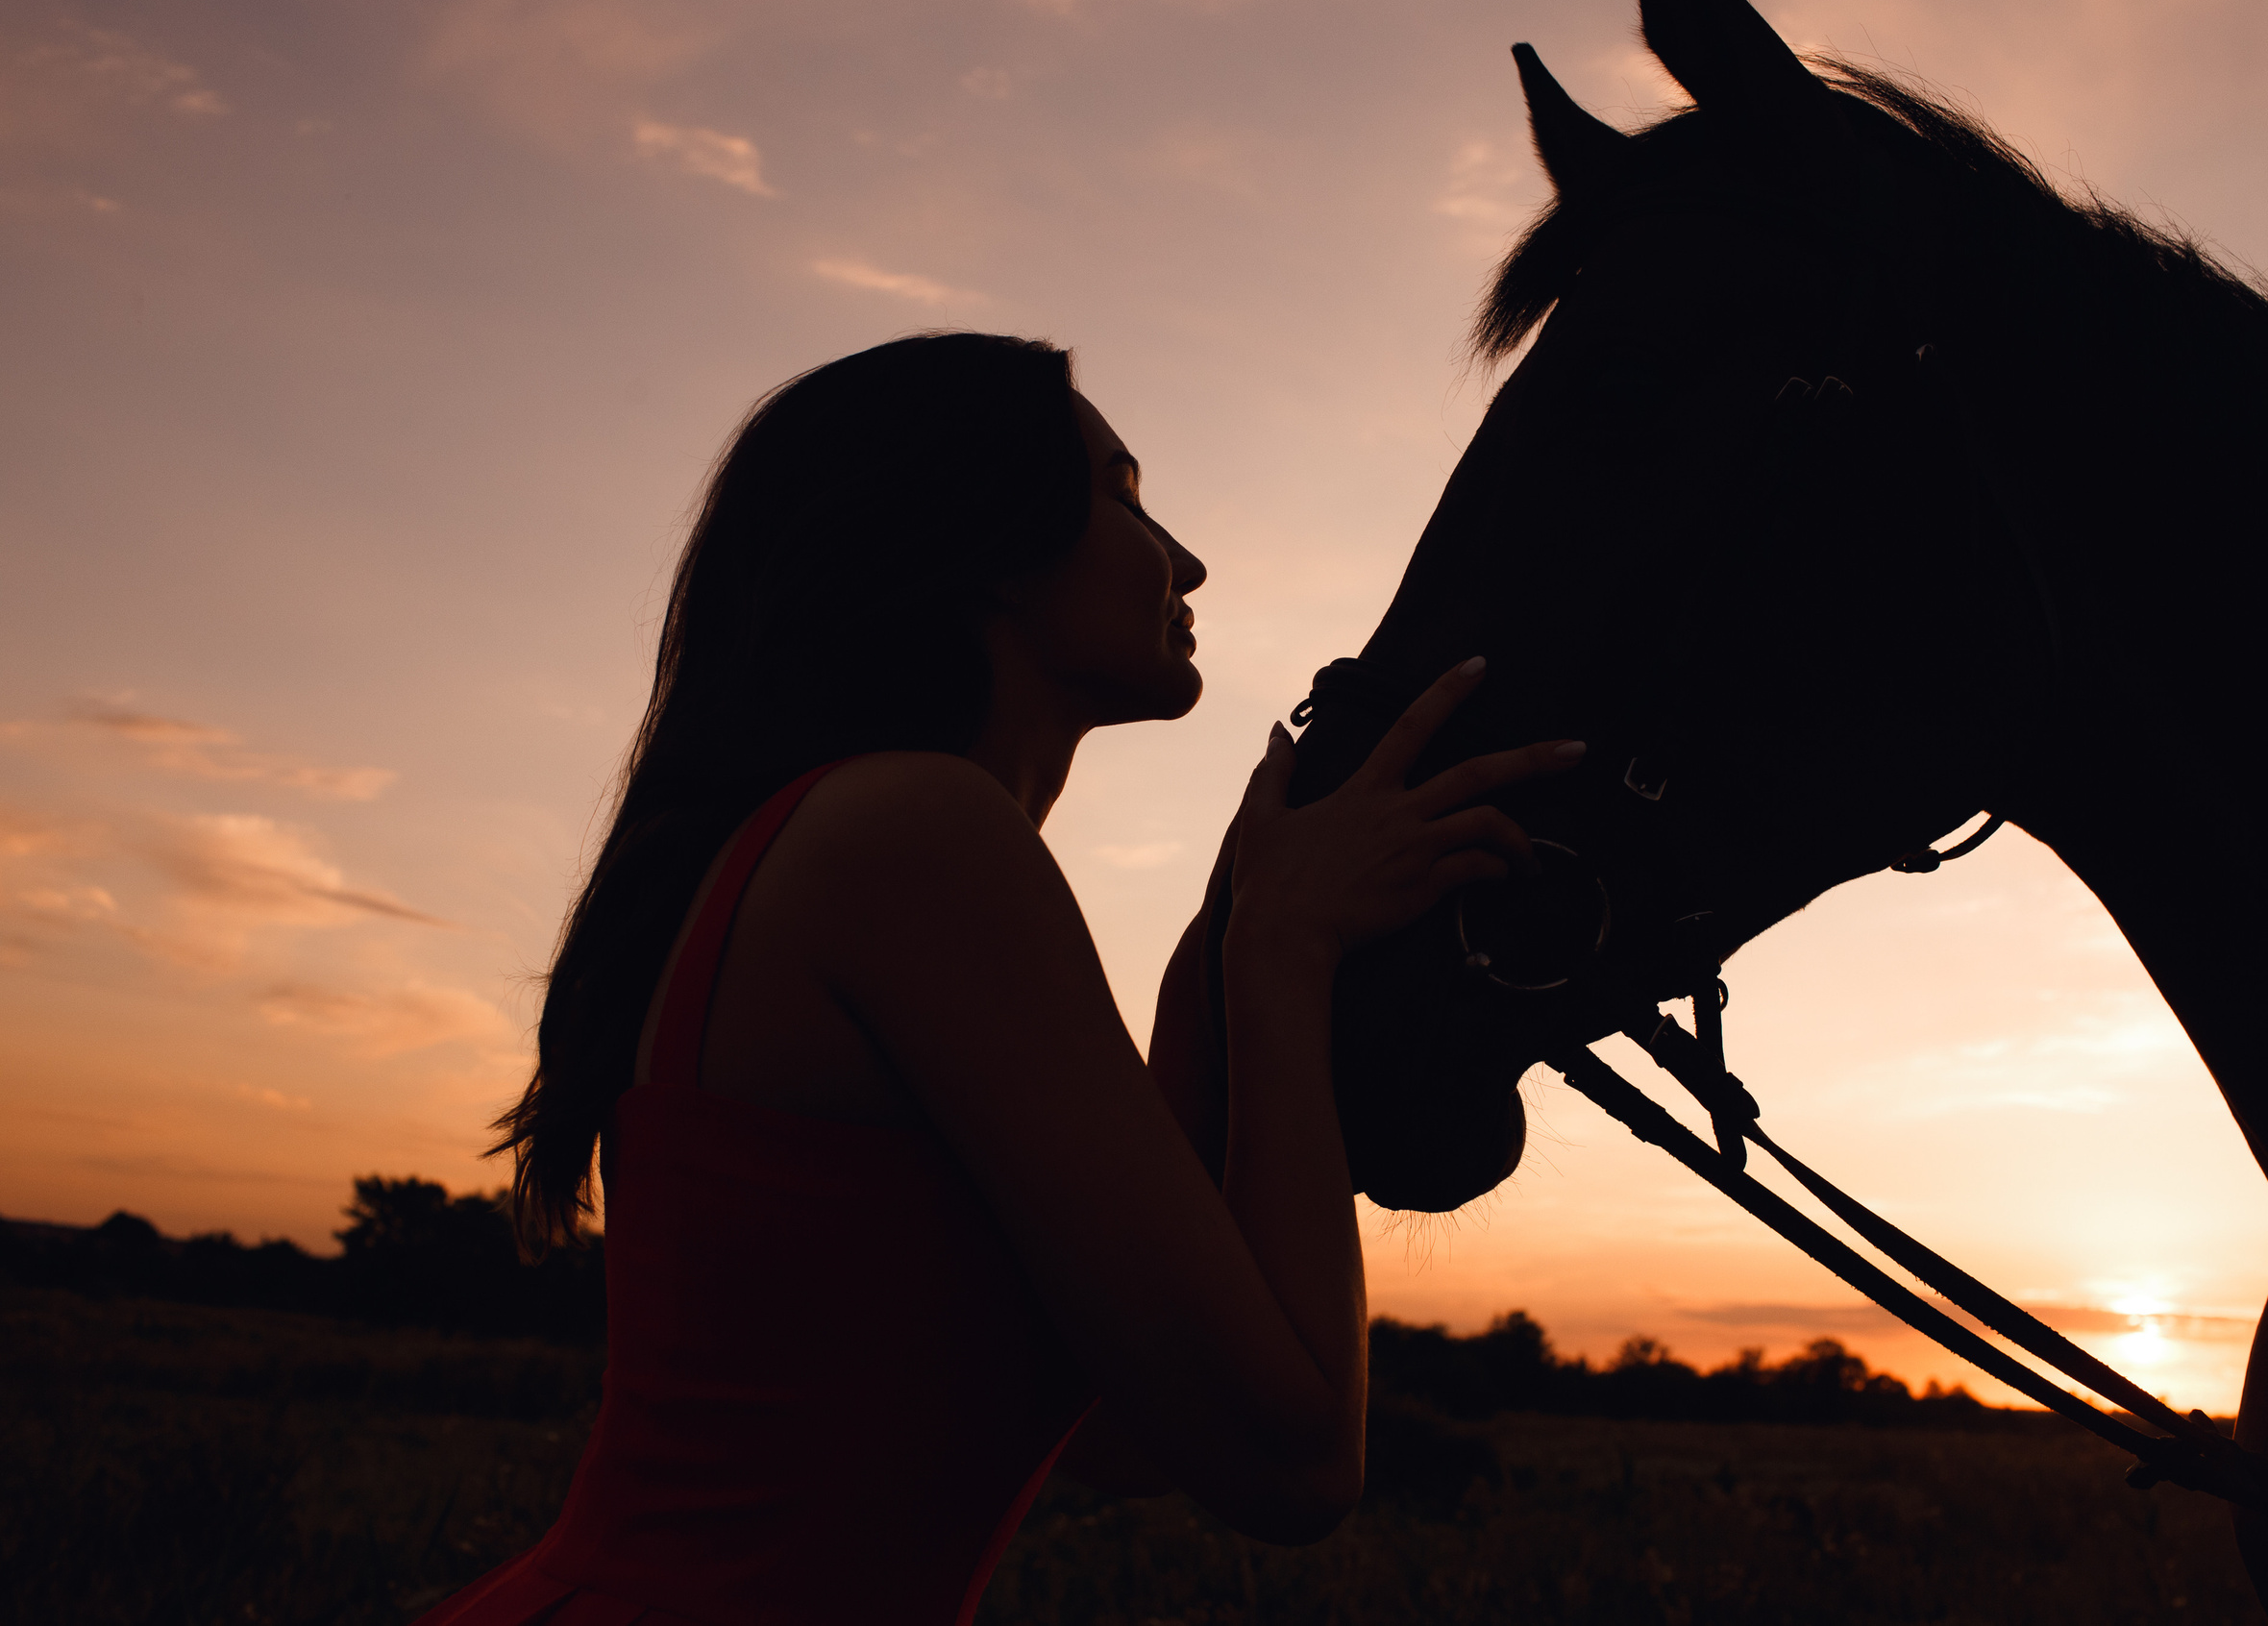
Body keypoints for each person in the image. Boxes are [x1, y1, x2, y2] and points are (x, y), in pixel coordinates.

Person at [417, 332, 1582, 1626]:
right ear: (990, 551)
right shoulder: (912, 834)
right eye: (1126, 495)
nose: (1184, 560)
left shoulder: (866, 850)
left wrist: (1223, 958)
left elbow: (1140, 1435)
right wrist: (1281, 960)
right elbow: (1295, 1462)